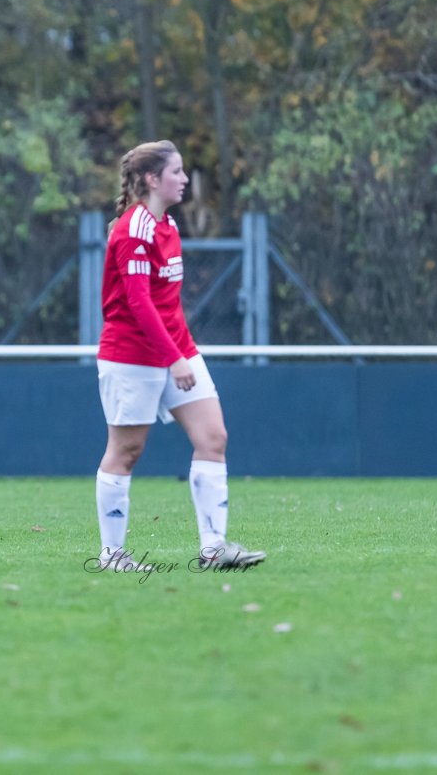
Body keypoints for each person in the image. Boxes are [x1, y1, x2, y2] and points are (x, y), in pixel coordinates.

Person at [94, 141, 265, 572]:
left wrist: (182, 353)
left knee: (214, 438)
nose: (185, 179)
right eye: (177, 172)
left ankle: (214, 548)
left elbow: (167, 305)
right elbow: (137, 303)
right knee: (126, 451)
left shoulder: (167, 225)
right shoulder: (135, 228)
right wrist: (174, 358)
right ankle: (112, 554)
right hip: (132, 356)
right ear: (153, 179)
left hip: (176, 353)